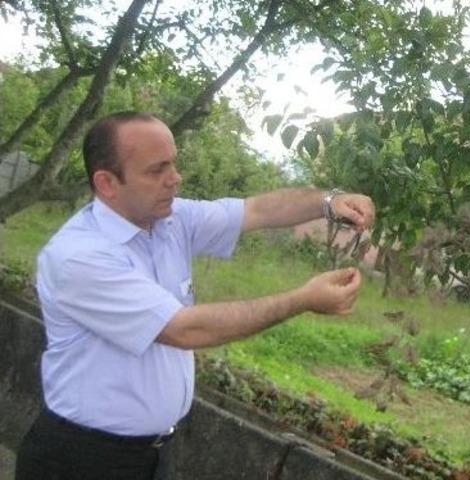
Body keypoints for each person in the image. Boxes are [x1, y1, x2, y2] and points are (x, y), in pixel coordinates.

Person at [15, 111, 375, 480]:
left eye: (173, 163)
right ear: (107, 183)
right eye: (156, 170)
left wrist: (330, 201)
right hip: (82, 461)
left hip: (154, 453)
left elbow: (255, 210)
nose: (175, 179)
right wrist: (302, 299)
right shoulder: (80, 257)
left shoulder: (170, 221)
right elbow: (184, 330)